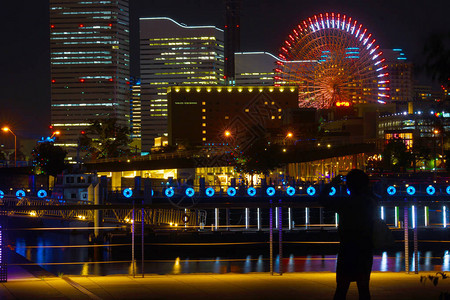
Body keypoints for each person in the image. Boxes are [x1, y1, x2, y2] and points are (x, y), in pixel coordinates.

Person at [320, 169, 377, 300]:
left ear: (348, 185)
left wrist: (332, 184)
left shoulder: (345, 203)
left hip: (347, 247)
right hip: (365, 247)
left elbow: (323, 199)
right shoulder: (370, 202)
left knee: (341, 288)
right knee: (364, 288)